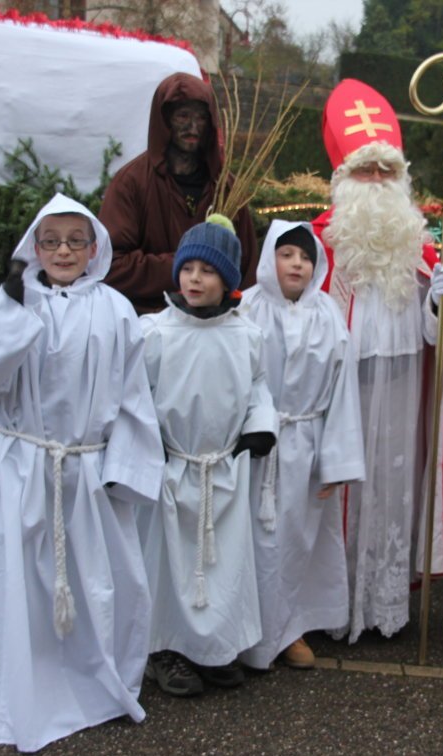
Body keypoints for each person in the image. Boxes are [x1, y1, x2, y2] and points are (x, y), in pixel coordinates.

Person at [0, 193, 164, 752]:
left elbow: (134, 396)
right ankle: (19, 693)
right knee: (21, 584)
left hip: (89, 473)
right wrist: (9, 310)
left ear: (94, 248)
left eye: (75, 240)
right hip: (25, 467)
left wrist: (125, 470)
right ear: (34, 247)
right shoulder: (12, 305)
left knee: (101, 583)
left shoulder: (115, 309)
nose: (63, 251)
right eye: (51, 241)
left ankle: (97, 685)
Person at [311, 79, 443, 645]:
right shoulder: (318, 244)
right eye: (365, 171)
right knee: (341, 489)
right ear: (343, 180)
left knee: (391, 491)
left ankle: (382, 603)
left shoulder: (419, 247)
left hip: (403, 389)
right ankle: (330, 605)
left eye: (386, 170)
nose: (377, 181)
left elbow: (437, 336)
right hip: (342, 392)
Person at [139, 218, 277, 697]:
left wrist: (260, 427)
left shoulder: (246, 335)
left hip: (223, 467)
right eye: (187, 268)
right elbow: (136, 393)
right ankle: (164, 649)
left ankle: (212, 649)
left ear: (229, 280)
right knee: (170, 564)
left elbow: (258, 387)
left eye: (208, 270)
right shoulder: (155, 333)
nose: (194, 279)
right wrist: (147, 439)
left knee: (221, 566)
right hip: (173, 467)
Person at [237, 220, 366, 671]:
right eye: (287, 254)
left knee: (296, 542)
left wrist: (336, 461)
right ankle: (247, 631)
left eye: (306, 257)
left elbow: (342, 389)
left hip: (306, 447)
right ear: (269, 257)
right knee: (253, 542)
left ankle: (291, 628)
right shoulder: (247, 308)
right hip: (256, 447)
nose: (297, 264)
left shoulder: (327, 313)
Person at [99, 72, 259, 314]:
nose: (193, 127)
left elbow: (246, 269)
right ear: (164, 120)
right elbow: (110, 265)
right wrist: (184, 264)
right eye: (183, 116)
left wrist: (236, 315)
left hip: (212, 323)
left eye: (201, 118)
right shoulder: (132, 183)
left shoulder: (225, 188)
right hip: (148, 321)